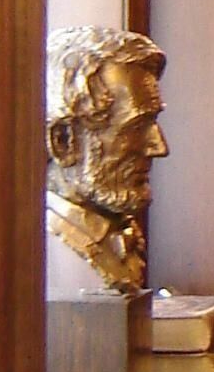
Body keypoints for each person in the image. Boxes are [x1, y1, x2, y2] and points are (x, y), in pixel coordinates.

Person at [45, 25, 168, 294]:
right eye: (135, 128)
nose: (159, 148)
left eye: (153, 123)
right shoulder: (48, 256)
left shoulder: (119, 228)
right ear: (64, 141)